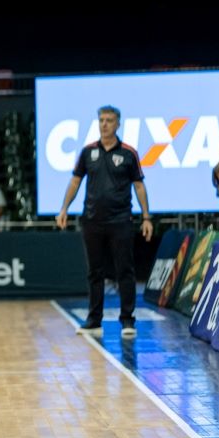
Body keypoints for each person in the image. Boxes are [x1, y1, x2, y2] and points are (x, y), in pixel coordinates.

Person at [56, 105, 154, 339]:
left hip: (121, 220)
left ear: (118, 124)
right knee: (95, 272)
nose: (105, 124)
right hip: (92, 220)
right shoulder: (88, 152)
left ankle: (128, 321)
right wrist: (64, 208)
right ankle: (94, 320)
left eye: (110, 120)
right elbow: (75, 182)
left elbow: (139, 186)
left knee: (125, 271)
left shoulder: (129, 152)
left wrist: (146, 216)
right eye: (102, 120)